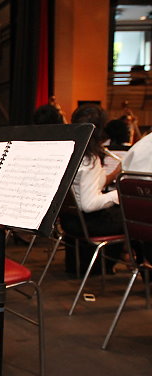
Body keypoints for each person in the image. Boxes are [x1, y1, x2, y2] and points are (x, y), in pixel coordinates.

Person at [59, 103, 123, 273]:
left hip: (69, 221)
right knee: (133, 217)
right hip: (88, 224)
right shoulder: (90, 159)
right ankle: (134, 267)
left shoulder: (71, 152)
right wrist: (118, 195)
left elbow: (85, 187)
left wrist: (113, 175)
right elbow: (89, 204)